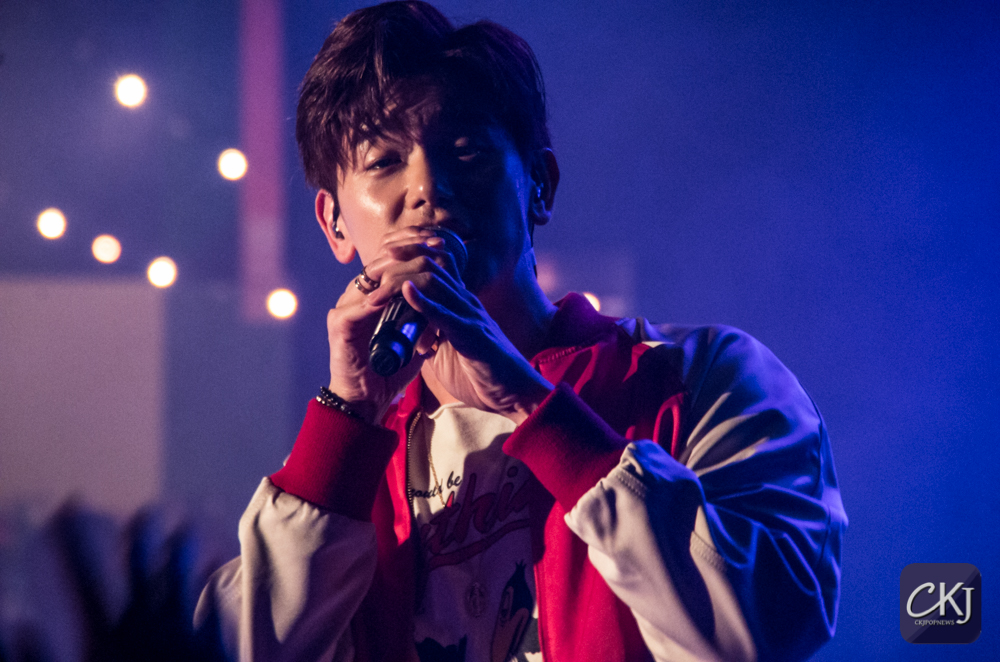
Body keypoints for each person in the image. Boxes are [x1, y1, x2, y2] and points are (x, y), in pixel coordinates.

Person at [196, 2, 847, 661]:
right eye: (385, 161)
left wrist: (530, 403)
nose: (427, 187)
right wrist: (346, 419)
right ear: (335, 224)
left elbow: (765, 627)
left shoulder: (704, 375)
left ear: (539, 184)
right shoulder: (350, 468)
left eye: (466, 152)